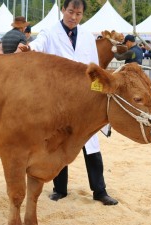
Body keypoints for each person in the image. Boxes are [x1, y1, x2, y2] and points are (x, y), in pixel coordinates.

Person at [22, 0, 118, 206]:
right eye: (71, 12)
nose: (74, 17)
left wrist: (98, 93)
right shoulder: (50, 32)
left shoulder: (86, 36)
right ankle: (60, 189)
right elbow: (39, 44)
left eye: (79, 14)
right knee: (60, 142)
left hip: (83, 99)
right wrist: (29, 48)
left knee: (91, 144)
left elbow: (94, 66)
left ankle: (100, 191)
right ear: (63, 10)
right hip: (58, 99)